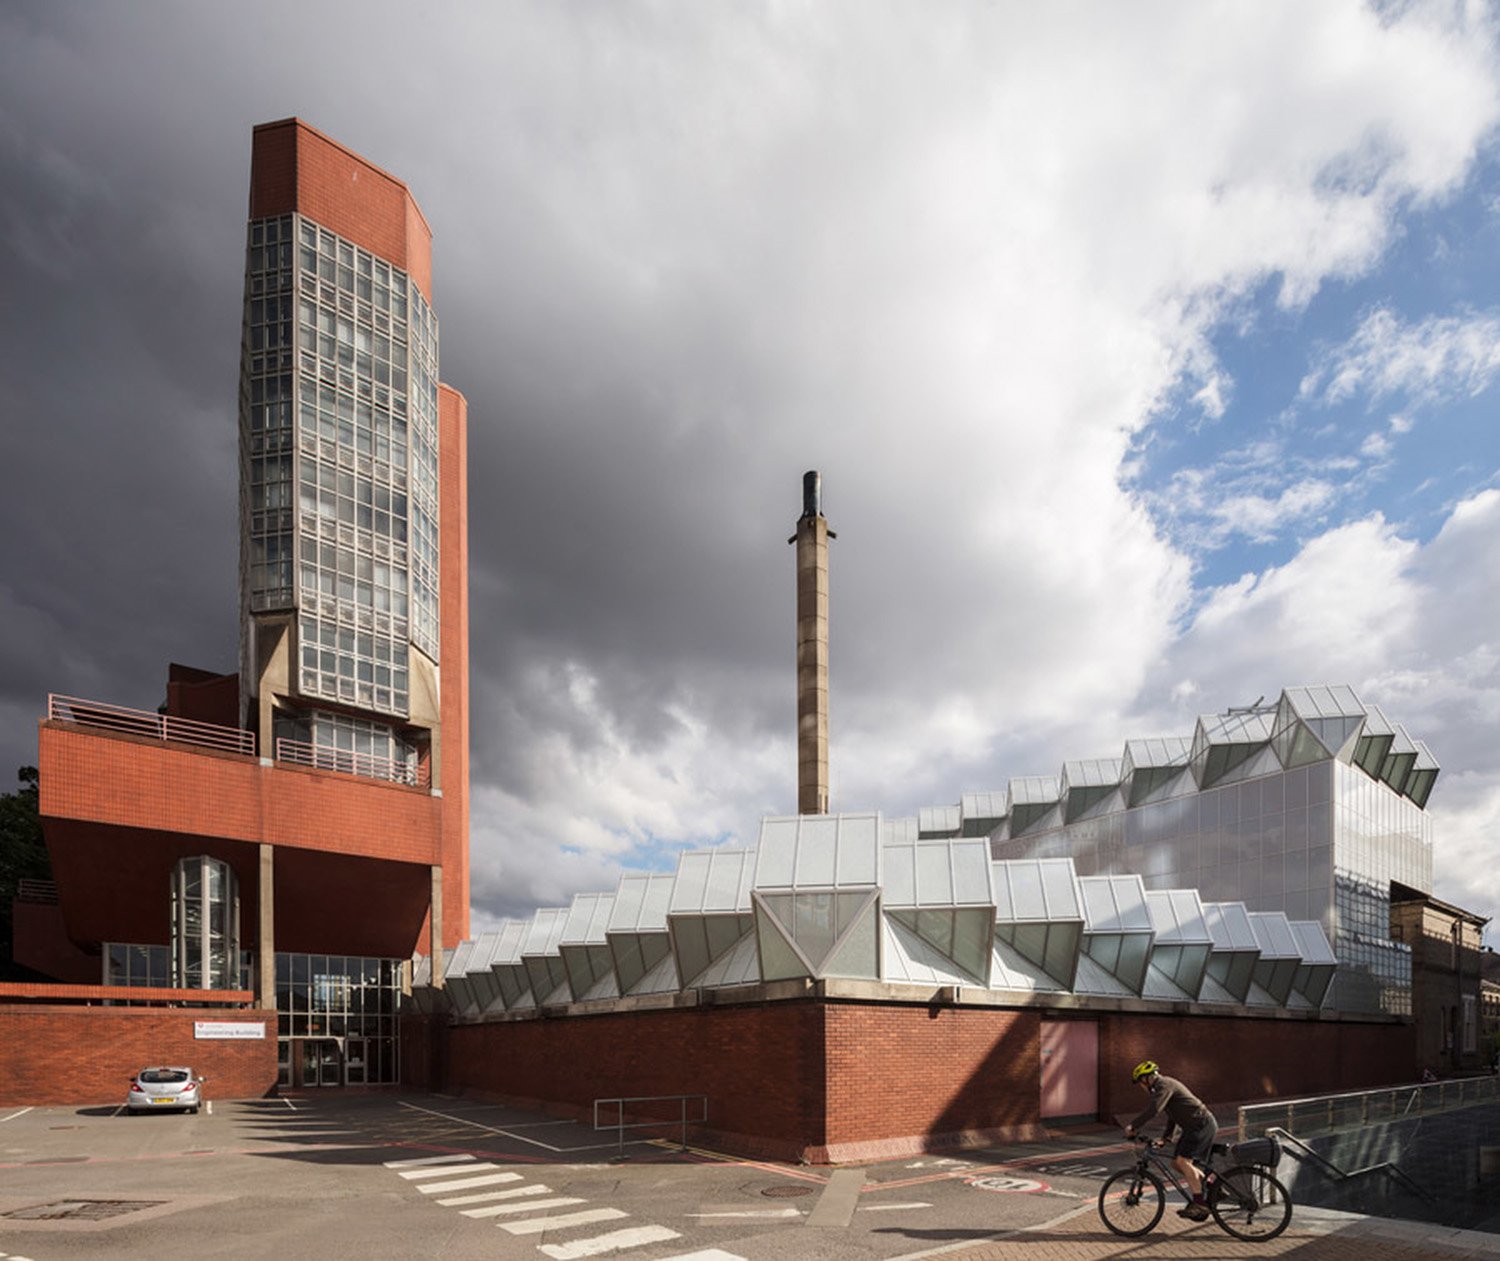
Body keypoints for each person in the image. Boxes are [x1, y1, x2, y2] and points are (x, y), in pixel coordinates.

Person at [1124, 1060, 1218, 1221]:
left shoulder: (1164, 1085)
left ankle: (1199, 1204)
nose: (1141, 1087)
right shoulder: (1164, 1087)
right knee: (1176, 1163)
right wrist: (1166, 1138)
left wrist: (1133, 1126)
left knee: (1183, 1162)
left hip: (1201, 1125)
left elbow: (1154, 1109)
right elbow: (1173, 1116)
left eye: (1141, 1082)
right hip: (1194, 1127)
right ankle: (1214, 1187)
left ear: (1147, 1078)